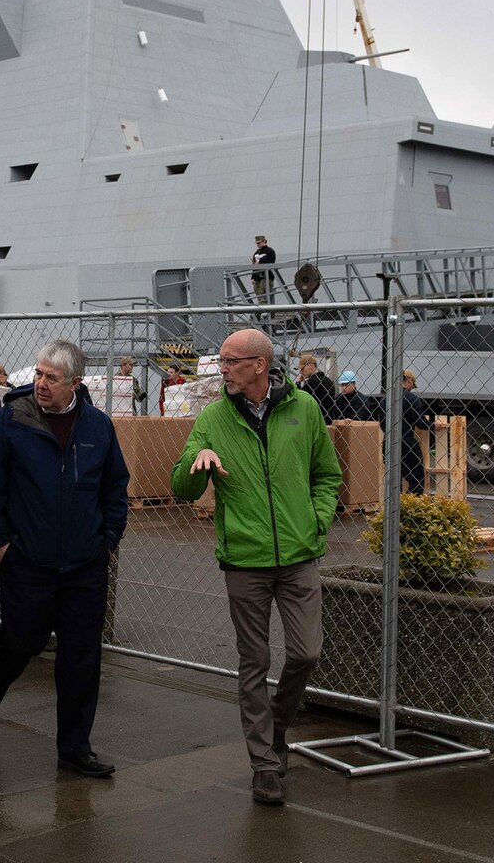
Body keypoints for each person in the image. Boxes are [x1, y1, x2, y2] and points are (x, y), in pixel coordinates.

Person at [170, 328, 340, 807]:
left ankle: (278, 729)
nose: (221, 368)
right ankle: (265, 764)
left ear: (259, 365)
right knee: (255, 662)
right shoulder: (213, 417)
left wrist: (317, 521)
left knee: (306, 653)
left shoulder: (303, 410)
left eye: (229, 361)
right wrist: (195, 462)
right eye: (221, 361)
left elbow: (327, 474)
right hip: (245, 560)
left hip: (299, 556)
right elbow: (179, 486)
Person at [0, 340, 130, 779]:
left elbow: (115, 486)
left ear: (75, 383)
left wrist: (108, 539)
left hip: (85, 564)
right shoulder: (12, 420)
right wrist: (0, 543)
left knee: (81, 656)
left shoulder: (98, 426)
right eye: (38, 374)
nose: (40, 384)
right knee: (21, 642)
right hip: (28, 561)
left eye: (51, 378)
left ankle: (75, 746)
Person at [382, 368, 429, 493]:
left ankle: (393, 508)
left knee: (394, 478)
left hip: (388, 442)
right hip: (406, 442)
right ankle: (410, 505)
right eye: (412, 385)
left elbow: (382, 423)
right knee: (416, 477)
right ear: (409, 380)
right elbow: (420, 422)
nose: (411, 388)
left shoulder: (386, 400)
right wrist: (433, 425)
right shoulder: (412, 399)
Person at [295, 352, 336, 424]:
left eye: (302, 368)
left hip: (313, 422)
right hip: (328, 421)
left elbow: (299, 400)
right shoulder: (328, 381)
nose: (301, 372)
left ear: (310, 366)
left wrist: (298, 383)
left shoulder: (311, 383)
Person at [251, 235, 276, 303]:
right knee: (258, 295)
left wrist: (260, 261)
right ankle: (263, 310)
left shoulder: (270, 251)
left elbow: (271, 261)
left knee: (261, 295)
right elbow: (254, 266)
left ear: (264, 241)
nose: (258, 245)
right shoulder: (256, 253)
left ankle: (260, 312)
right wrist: (252, 277)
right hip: (257, 277)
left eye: (259, 243)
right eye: (257, 243)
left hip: (266, 276)